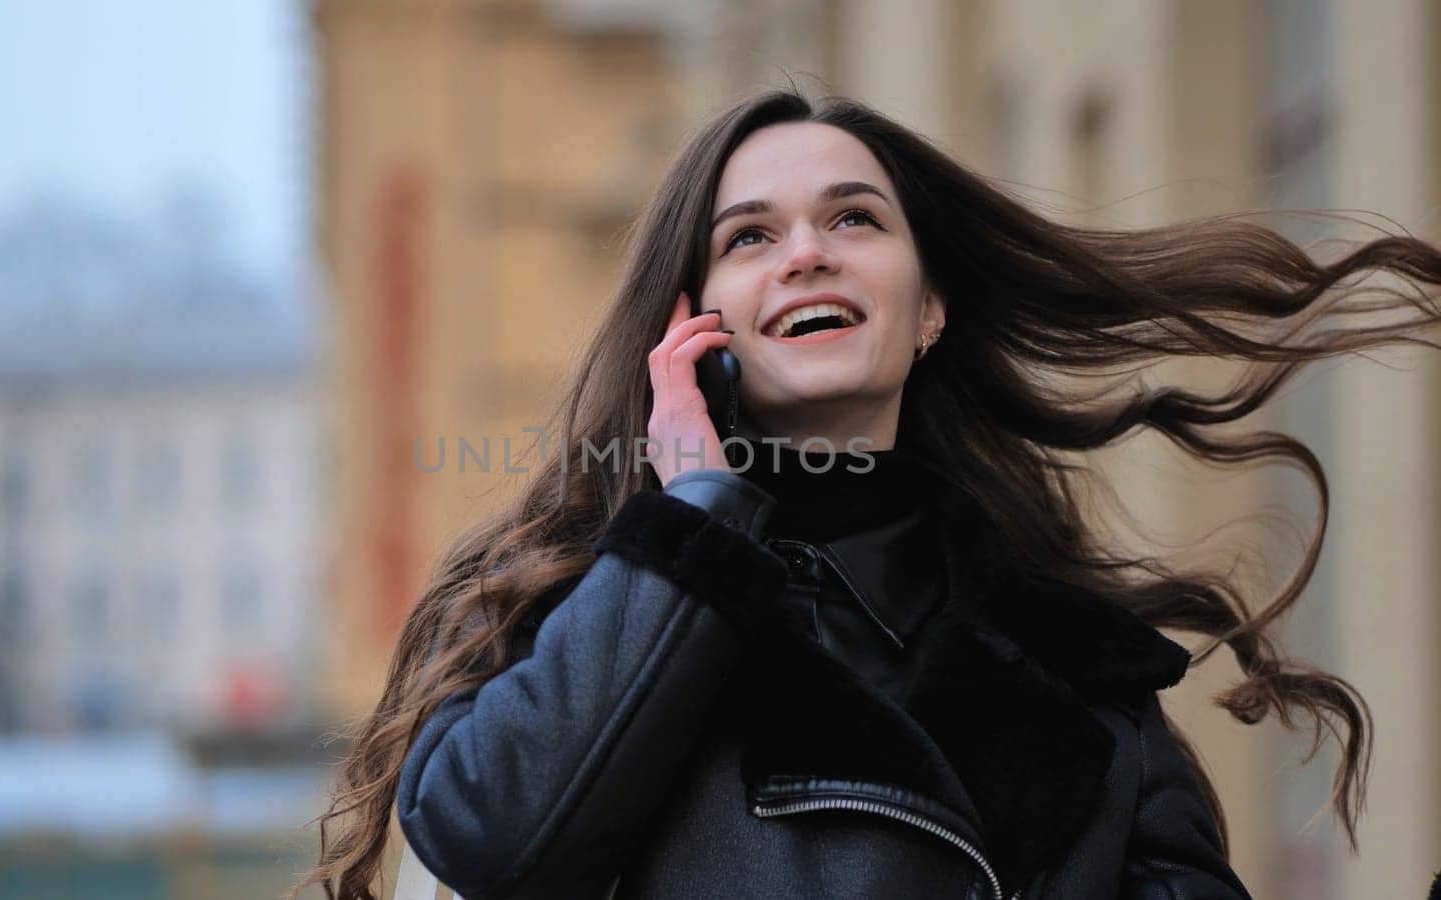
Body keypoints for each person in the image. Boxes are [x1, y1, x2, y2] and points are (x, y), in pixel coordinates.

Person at [303, 90, 1441, 899]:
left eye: (854, 218)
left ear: (929, 308)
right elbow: (497, 844)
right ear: (691, 326)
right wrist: (694, 517)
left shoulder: (1082, 675)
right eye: (749, 236)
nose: (808, 253)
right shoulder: (555, 613)